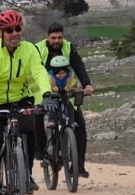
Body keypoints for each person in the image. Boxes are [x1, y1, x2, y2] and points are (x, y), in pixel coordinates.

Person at [0, 9, 50, 195]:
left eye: (17, 28)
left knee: (30, 131)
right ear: (0, 33)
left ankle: (26, 173)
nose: (14, 33)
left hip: (21, 100)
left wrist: (47, 94)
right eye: (9, 30)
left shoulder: (29, 49)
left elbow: (38, 71)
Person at [34, 22, 95, 178]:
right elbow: (34, 70)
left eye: (59, 37)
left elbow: (78, 66)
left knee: (80, 124)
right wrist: (44, 92)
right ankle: (42, 151)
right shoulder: (38, 48)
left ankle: (79, 166)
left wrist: (87, 84)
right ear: (47, 37)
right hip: (44, 92)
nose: (56, 41)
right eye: (53, 38)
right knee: (38, 117)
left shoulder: (68, 47)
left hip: (67, 91)